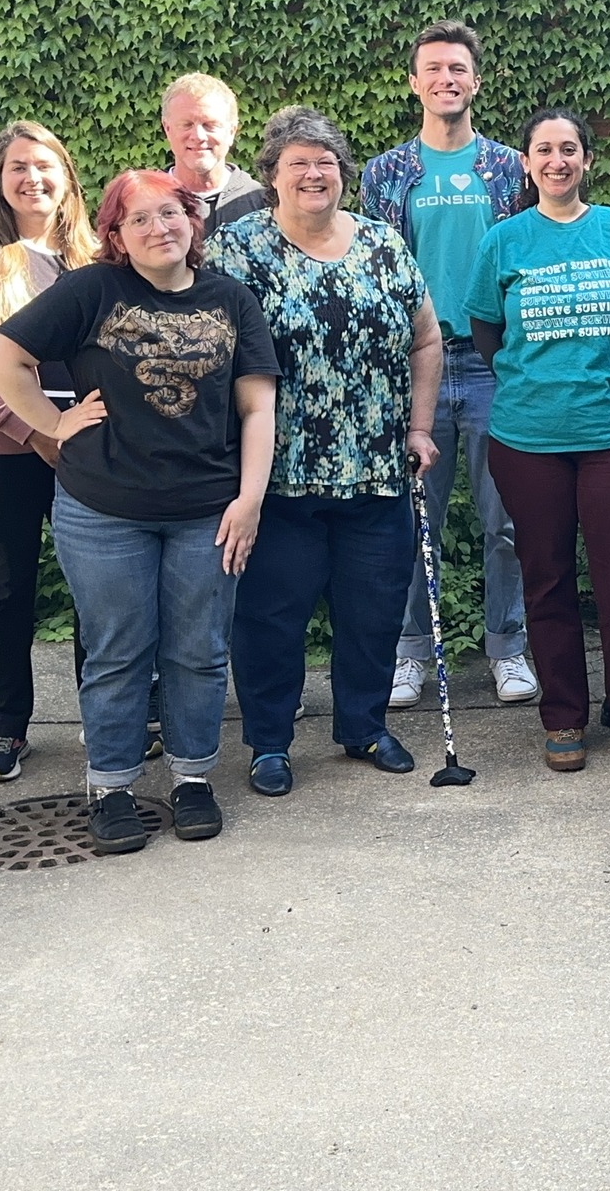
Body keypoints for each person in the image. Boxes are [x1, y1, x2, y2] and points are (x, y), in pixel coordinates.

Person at [0, 170, 278, 852]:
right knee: (119, 651)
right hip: (103, 509)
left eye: (170, 213)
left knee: (199, 652)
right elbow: (0, 356)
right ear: (114, 234)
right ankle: (112, 787)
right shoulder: (91, 291)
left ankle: (193, 779)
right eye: (138, 219)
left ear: (192, 221)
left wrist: (250, 499)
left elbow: (258, 406)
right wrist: (53, 425)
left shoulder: (231, 300)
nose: (158, 228)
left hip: (208, 508)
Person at [207, 108, 443, 797]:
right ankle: (270, 744)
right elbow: (219, 359)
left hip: (376, 471)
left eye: (326, 162)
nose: (314, 173)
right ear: (272, 177)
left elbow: (425, 339)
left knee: (372, 608)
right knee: (271, 617)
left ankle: (364, 726)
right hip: (280, 478)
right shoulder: (237, 249)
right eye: (298, 163)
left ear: (343, 172)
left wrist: (419, 428)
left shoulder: (381, 243)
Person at [464, 109, 610, 772]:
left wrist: (601, 377)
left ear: (586, 160)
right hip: (527, 437)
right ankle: (563, 718)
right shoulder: (504, 241)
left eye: (569, 149)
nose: (558, 160)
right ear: (526, 163)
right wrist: (540, 380)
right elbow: (487, 333)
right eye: (544, 150)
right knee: (545, 579)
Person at [360, 21, 536, 706]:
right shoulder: (384, 175)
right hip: (416, 368)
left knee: (507, 520)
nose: (446, 79)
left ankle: (508, 648)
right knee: (410, 521)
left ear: (475, 81)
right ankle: (409, 653)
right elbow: (378, 272)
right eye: (433, 69)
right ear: (415, 84)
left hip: (495, 363)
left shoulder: (510, 169)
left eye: (458, 69)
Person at [0, 121, 98, 783]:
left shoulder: (97, 256)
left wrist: (78, 434)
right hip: (10, 452)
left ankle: (109, 719)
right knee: (8, 588)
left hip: (91, 447)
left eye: (45, 165)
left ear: (66, 176)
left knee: (98, 587)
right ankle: (5, 731)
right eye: (18, 166)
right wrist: (40, 434)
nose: (32, 177)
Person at [161, 73, 265, 229]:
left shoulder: (263, 204)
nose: (198, 136)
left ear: (232, 131)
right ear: (167, 129)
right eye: (186, 124)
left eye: (209, 125)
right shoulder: (141, 204)